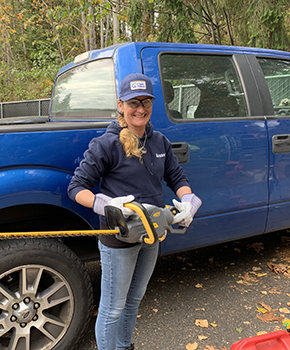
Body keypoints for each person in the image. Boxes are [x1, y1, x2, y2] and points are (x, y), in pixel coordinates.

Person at [67, 72, 201, 350]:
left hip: (151, 235)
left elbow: (176, 178)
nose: (140, 109)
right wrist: (104, 204)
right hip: (118, 239)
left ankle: (125, 346)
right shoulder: (106, 144)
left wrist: (189, 201)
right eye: (133, 103)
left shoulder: (159, 141)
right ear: (120, 105)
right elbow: (76, 187)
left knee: (133, 301)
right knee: (112, 308)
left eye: (146, 102)